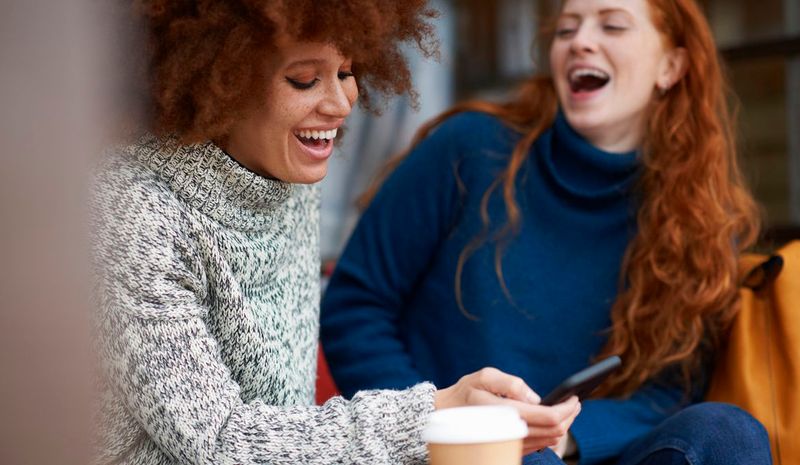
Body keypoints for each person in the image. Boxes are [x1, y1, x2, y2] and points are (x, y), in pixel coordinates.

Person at [90, 1, 582, 464]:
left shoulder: (285, 174)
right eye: (305, 79)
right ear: (221, 80)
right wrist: (432, 415)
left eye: (346, 73)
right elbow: (223, 442)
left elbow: (288, 418)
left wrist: (459, 413)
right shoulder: (132, 211)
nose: (343, 102)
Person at [320, 0, 773, 464]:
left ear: (671, 66)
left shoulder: (695, 217)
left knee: (728, 433)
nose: (580, 41)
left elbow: (672, 388)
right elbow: (354, 307)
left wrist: (567, 436)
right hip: (460, 448)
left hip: (588, 451)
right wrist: (438, 421)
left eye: (612, 25)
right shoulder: (470, 151)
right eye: (566, 30)